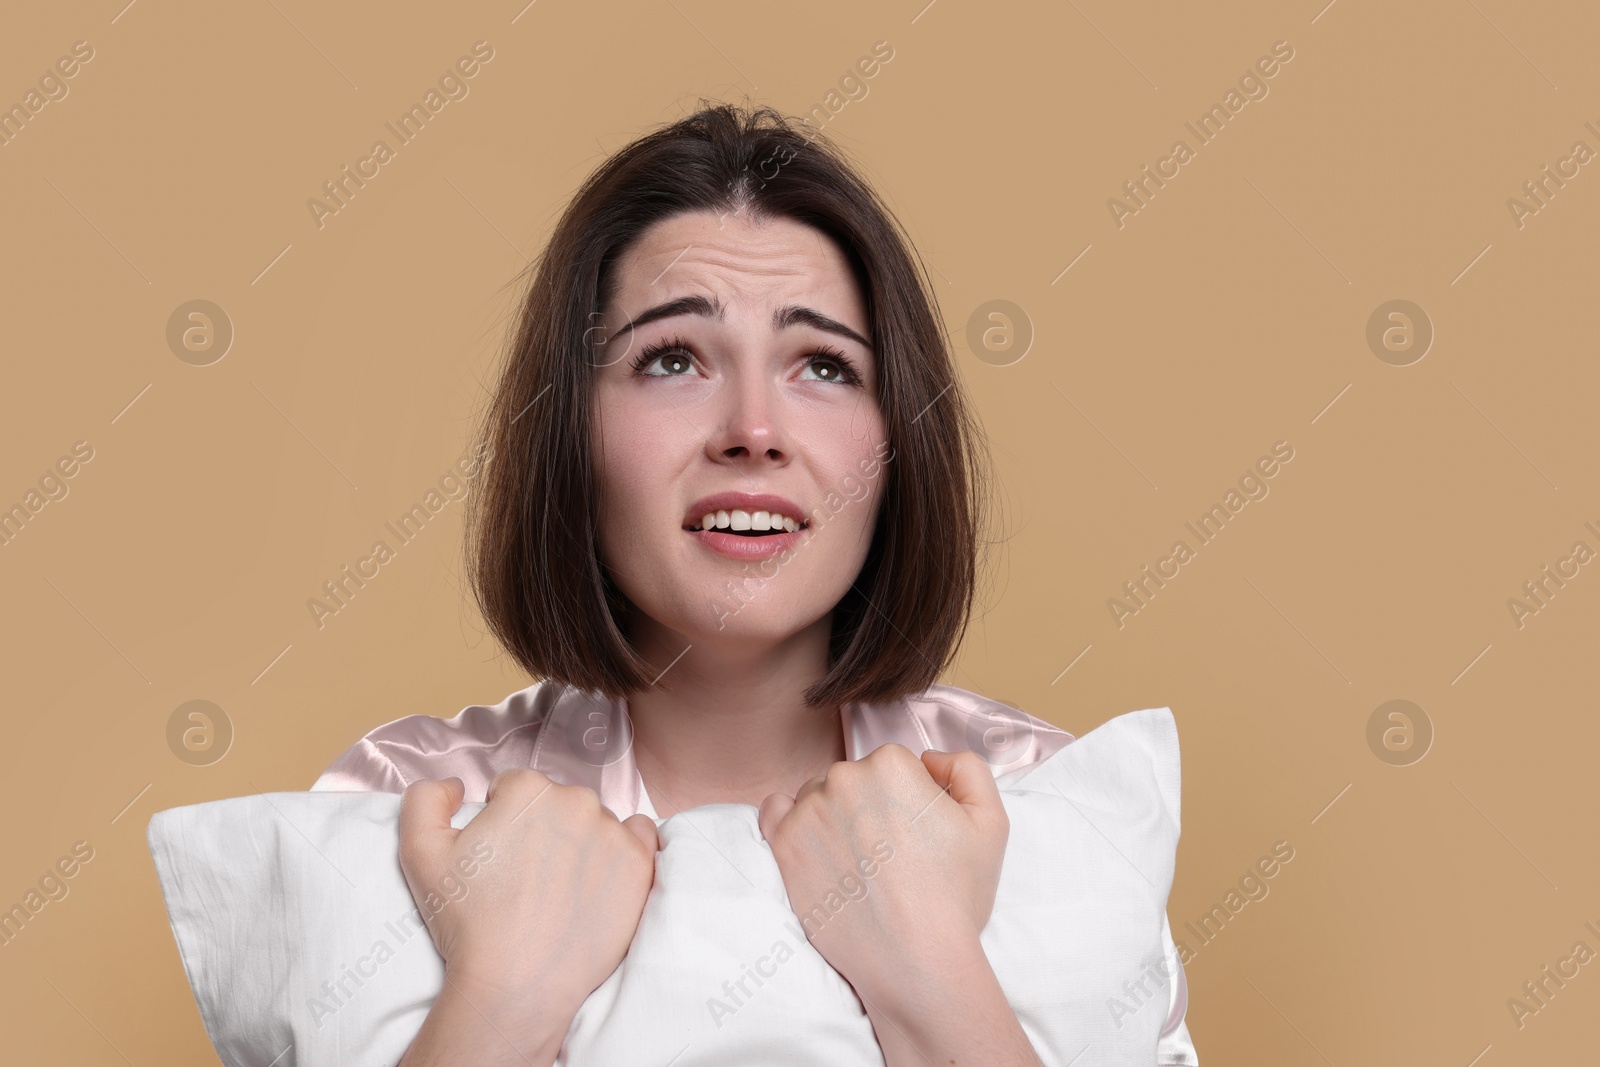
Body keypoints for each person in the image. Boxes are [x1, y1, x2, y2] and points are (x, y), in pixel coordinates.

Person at [310, 102, 1197, 1066]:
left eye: (821, 364)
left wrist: (933, 975)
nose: (753, 427)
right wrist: (502, 994)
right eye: (674, 358)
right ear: (574, 428)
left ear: (897, 443)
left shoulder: (1044, 800)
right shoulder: (412, 803)